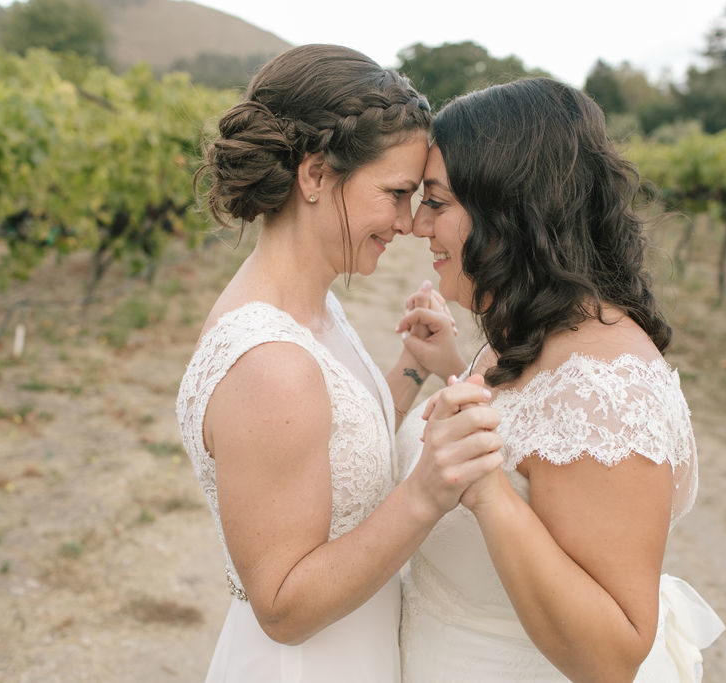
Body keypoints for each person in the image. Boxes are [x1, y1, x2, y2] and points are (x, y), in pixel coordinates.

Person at [175, 44, 503, 682]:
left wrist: (414, 364)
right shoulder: (270, 361)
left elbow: (329, 443)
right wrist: (425, 494)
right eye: (396, 193)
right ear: (316, 176)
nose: (409, 223)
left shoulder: (306, 305)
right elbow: (284, 608)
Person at [395, 77, 725, 682]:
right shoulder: (534, 329)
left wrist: (486, 489)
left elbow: (611, 655)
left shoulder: (609, 390)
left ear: (511, 212)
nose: (418, 225)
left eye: (437, 203)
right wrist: (447, 368)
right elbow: (527, 430)